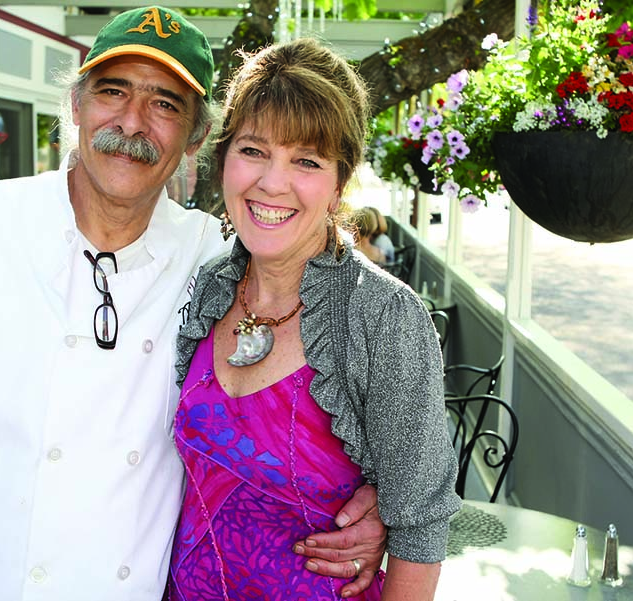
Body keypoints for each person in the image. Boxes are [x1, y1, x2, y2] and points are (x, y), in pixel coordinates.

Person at [0, 7, 384, 600]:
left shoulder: (215, 260)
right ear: (77, 105)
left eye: (165, 104)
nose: (133, 122)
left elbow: (303, 386)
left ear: (195, 139)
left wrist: (369, 500)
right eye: (113, 91)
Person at [172, 38, 461, 600]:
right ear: (225, 159)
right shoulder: (205, 287)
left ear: (339, 182)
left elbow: (421, 529)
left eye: (306, 161)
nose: (272, 183)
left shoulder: (384, 317)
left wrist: (389, 509)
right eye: (254, 150)